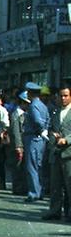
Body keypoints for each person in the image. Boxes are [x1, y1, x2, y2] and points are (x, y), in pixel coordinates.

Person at [43, 85, 71, 221]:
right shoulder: (55, 111)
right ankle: (54, 211)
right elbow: (49, 129)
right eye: (61, 95)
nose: (63, 98)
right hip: (55, 153)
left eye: (66, 95)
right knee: (55, 185)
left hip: (69, 153)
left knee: (69, 184)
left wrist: (67, 140)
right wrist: (53, 136)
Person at [22, 82, 50, 203]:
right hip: (40, 139)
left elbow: (38, 121)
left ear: (30, 93)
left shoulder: (33, 106)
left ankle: (34, 193)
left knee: (31, 166)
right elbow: (47, 119)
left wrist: (40, 129)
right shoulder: (42, 105)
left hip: (33, 138)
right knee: (39, 165)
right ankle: (40, 190)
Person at [9, 91, 30, 196]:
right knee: (17, 167)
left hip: (25, 144)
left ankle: (23, 187)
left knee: (23, 167)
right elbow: (15, 131)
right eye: (26, 103)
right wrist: (18, 146)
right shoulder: (16, 114)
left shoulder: (25, 114)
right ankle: (17, 188)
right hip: (18, 145)